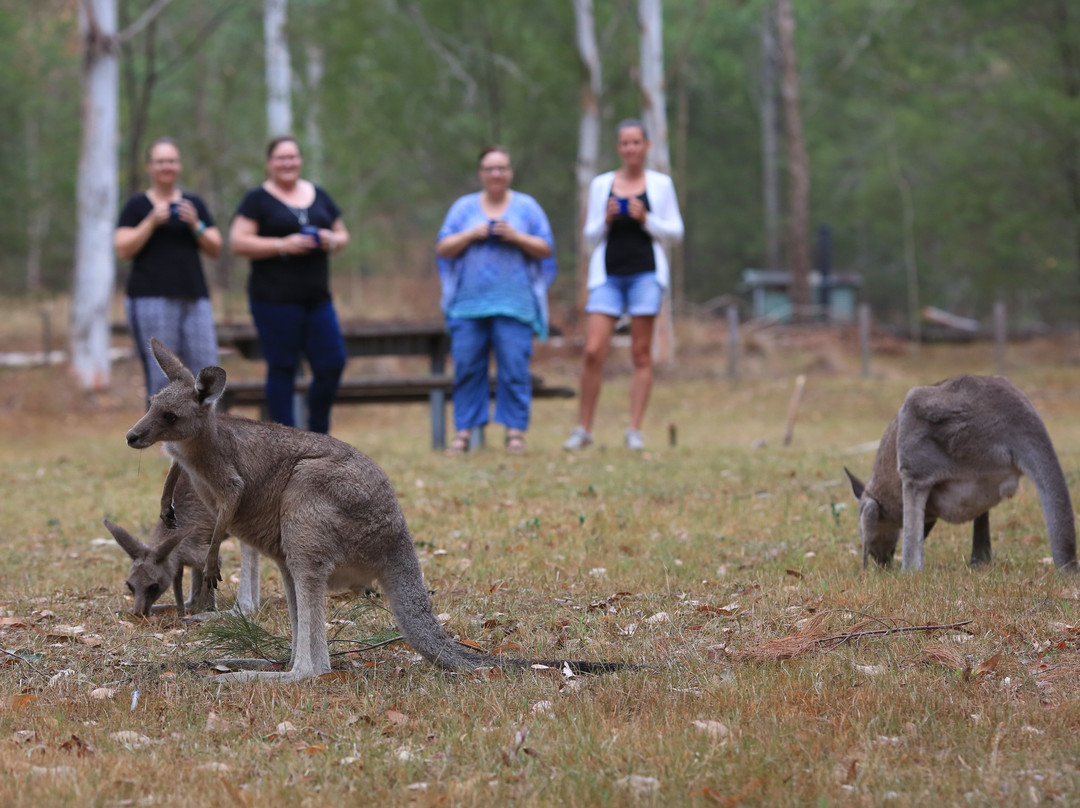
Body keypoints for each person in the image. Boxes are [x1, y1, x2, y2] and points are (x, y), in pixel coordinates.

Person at [563, 119, 684, 451]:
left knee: (640, 352)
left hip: (646, 275)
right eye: (625, 143)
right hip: (608, 277)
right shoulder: (602, 184)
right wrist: (606, 218)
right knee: (593, 351)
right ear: (618, 148)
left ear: (647, 146)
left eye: (636, 142)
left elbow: (675, 233)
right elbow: (588, 237)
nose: (631, 148)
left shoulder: (660, 185)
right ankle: (583, 429)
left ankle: (634, 430)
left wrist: (646, 218)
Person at [436, 146, 556, 455]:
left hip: (515, 304)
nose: (496, 174)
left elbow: (545, 248)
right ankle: (464, 433)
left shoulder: (527, 208)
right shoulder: (463, 209)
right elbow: (443, 247)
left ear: (510, 172)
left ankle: (515, 433)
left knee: (515, 367)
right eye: (490, 168)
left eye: (502, 168)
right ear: (480, 174)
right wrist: (471, 234)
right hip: (468, 305)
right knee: (466, 368)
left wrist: (516, 236)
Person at [228, 135, 349, 434]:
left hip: (317, 299)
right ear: (269, 163)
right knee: (282, 368)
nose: (288, 163)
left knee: (332, 362)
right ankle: (285, 440)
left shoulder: (317, 194)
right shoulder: (257, 199)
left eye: (293, 157)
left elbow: (342, 234)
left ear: (300, 160)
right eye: (281, 158)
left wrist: (330, 239)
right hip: (274, 300)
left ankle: (318, 434)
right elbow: (238, 241)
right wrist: (283, 244)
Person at [115, 137, 223, 404]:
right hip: (150, 298)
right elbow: (123, 249)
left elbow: (215, 247)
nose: (167, 166)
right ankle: (162, 441)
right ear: (149, 167)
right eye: (161, 161)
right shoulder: (138, 206)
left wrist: (195, 224)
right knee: (162, 376)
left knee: (206, 372)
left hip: (194, 297)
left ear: (179, 165)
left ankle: (207, 442)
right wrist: (151, 221)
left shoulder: (192, 204)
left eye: (172, 161)